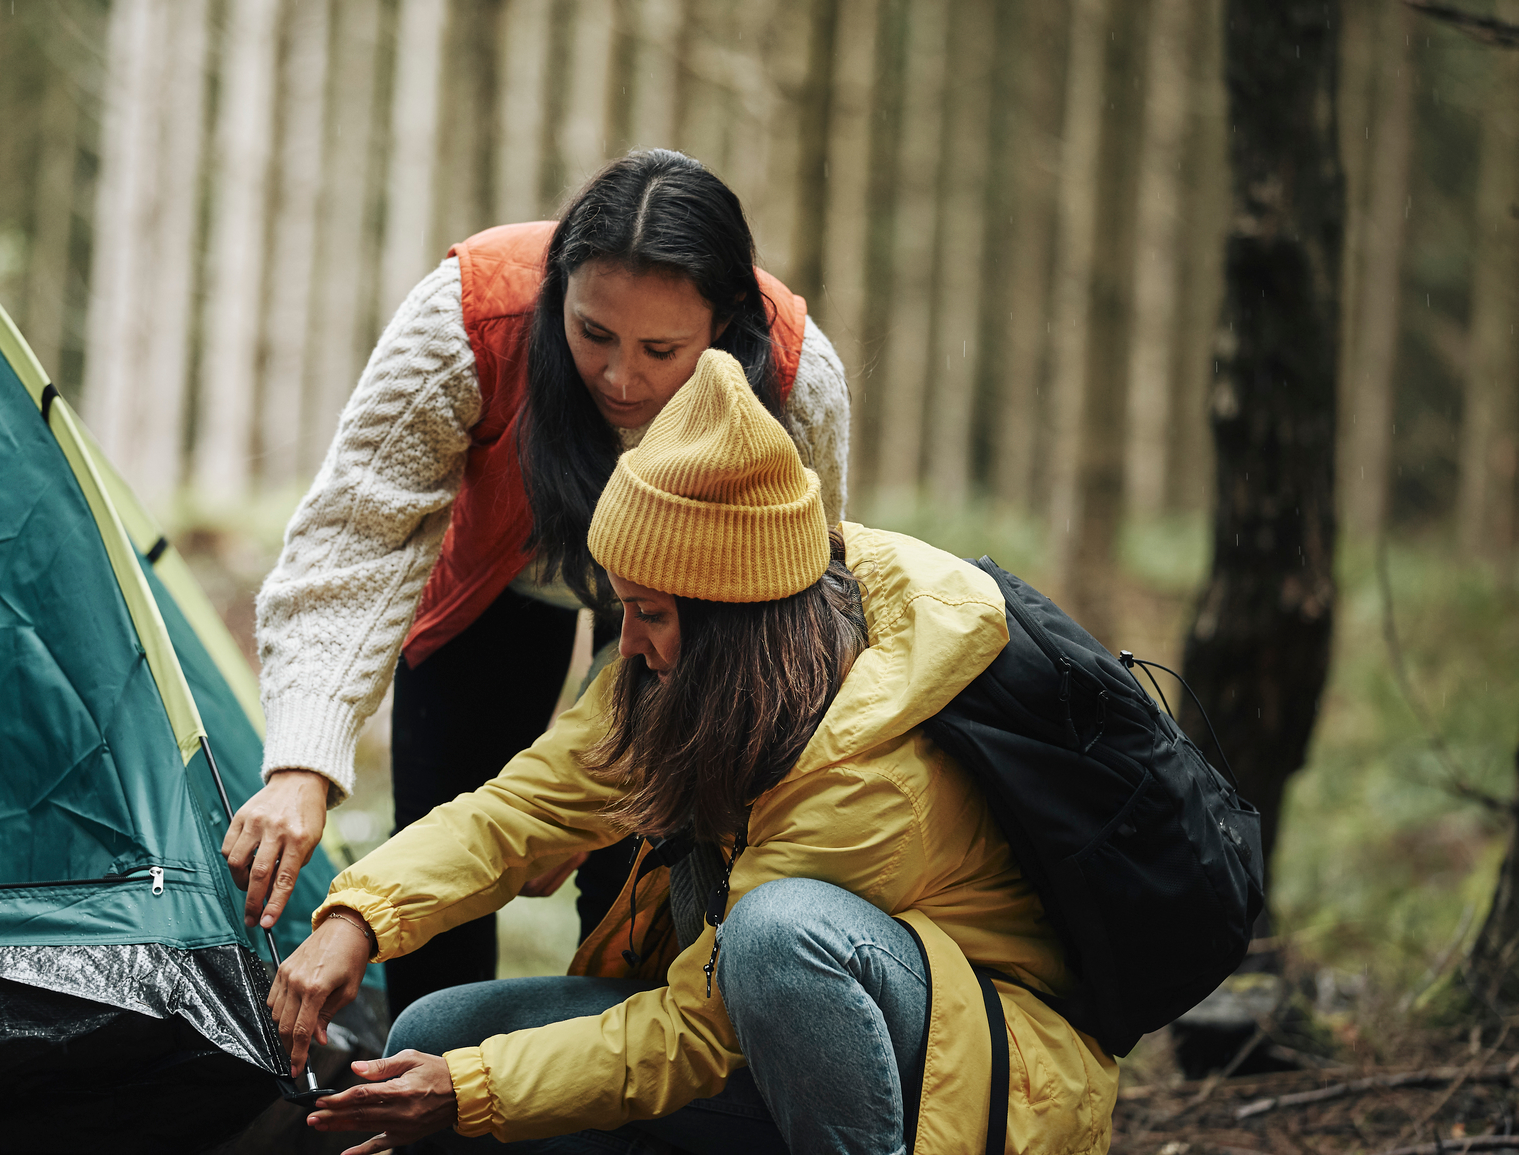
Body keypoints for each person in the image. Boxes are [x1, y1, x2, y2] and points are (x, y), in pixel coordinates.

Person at [267, 351, 1119, 1155]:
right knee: (433, 1035)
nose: (625, 640)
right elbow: (520, 810)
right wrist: (359, 916)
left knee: (774, 936)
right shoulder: (679, 677)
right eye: (623, 604)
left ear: (732, 619)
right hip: (751, 1030)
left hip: (965, 1085)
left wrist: (474, 1089)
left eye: (651, 611)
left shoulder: (871, 774)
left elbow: (698, 1030)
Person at [221, 150, 850, 1018]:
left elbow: (800, 583)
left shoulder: (794, 374)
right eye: (592, 333)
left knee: (637, 870)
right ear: (557, 290)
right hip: (502, 579)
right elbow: (353, 536)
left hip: (688, 614)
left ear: (724, 323)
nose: (621, 379)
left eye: (660, 349)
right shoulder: (469, 317)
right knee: (445, 822)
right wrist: (301, 762)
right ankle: (426, 1089)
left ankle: (606, 1099)